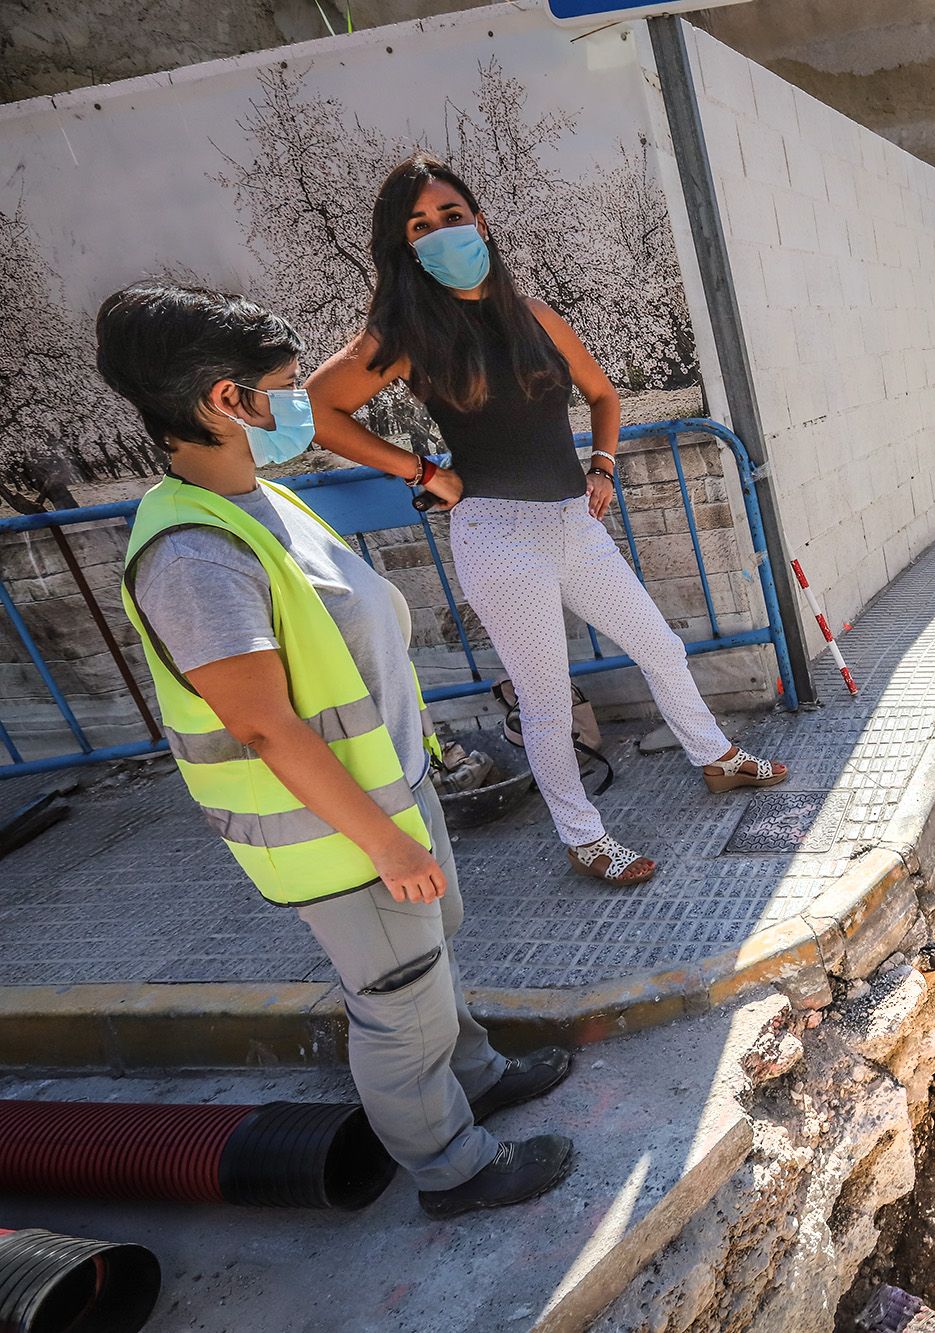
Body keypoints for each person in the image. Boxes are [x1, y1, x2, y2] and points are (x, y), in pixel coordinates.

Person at [98, 282, 575, 1219]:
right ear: (226, 403)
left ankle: (474, 1074)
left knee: (432, 953)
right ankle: (451, 1166)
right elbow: (266, 726)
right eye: (283, 385)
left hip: (388, 791)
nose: (301, 403)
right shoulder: (194, 554)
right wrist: (388, 844)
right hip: (340, 833)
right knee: (396, 999)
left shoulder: (255, 498)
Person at [308, 155, 787, 888]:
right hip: (497, 532)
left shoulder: (532, 316)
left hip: (573, 522)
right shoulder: (406, 334)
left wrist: (602, 464)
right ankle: (583, 835)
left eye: (452, 215)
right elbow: (317, 409)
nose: (441, 232)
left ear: (481, 222)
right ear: (403, 247)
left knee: (659, 645)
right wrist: (423, 472)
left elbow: (601, 393)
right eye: (420, 226)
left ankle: (715, 756)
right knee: (547, 696)